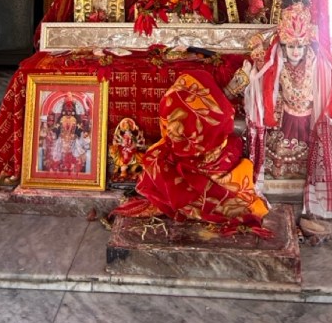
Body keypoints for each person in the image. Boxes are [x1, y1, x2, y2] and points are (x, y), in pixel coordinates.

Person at [242, 0, 332, 218]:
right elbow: (262, 85)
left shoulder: (318, 63)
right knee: (280, 151)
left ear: (307, 45)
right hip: (285, 122)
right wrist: (256, 68)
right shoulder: (276, 62)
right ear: (283, 44)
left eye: (299, 46)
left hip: (310, 121)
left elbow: (330, 93)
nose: (294, 51)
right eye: (290, 46)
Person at [113, 69, 269, 231]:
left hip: (196, 166)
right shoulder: (229, 146)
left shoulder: (162, 163)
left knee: (156, 160)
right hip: (219, 156)